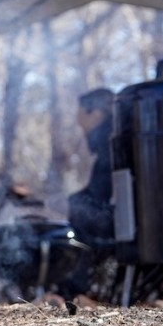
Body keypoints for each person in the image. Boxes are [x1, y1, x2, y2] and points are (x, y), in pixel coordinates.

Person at [62, 87, 116, 299]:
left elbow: (99, 196)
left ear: (97, 114)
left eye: (81, 119)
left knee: (80, 213)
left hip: (127, 226)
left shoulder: (113, 145)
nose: (81, 127)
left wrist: (70, 203)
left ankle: (76, 289)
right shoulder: (112, 143)